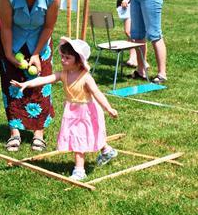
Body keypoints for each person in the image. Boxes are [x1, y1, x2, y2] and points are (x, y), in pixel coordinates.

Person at [11, 37, 118, 180]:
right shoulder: (63, 74)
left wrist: (108, 108)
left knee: (80, 138)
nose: (63, 60)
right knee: (82, 135)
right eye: (62, 56)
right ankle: (107, 151)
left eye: (67, 58)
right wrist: (26, 84)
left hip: (86, 111)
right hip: (72, 111)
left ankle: (79, 170)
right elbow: (44, 79)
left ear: (78, 60)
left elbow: (97, 93)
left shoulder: (85, 77)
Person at [0, 0, 60, 152]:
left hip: (40, 39)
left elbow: (49, 27)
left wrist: (35, 54)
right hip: (13, 39)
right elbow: (6, 26)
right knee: (12, 84)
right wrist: (8, 53)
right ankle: (14, 132)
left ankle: (38, 133)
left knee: (40, 84)